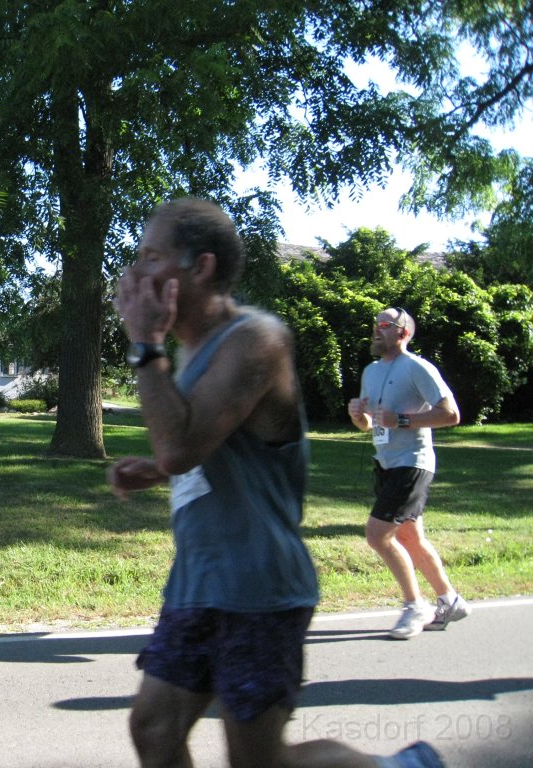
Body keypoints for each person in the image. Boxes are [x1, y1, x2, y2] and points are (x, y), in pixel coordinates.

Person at [109, 198, 443, 768]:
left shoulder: (256, 340)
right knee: (155, 729)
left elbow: (182, 443)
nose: (136, 272)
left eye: (151, 256)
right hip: (198, 581)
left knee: (260, 763)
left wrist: (145, 347)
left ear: (201, 267)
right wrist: (159, 468)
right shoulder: (190, 355)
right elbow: (197, 448)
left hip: (258, 586)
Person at [347, 307, 470, 640]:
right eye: (375, 325)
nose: (377, 330)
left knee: (378, 535)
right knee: (409, 537)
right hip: (385, 462)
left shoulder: (418, 368)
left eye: (384, 325)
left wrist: (402, 420)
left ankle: (415, 605)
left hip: (413, 462)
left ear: (403, 333)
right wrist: (358, 415)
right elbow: (370, 424)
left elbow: (450, 414)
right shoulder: (371, 371)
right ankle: (450, 600)